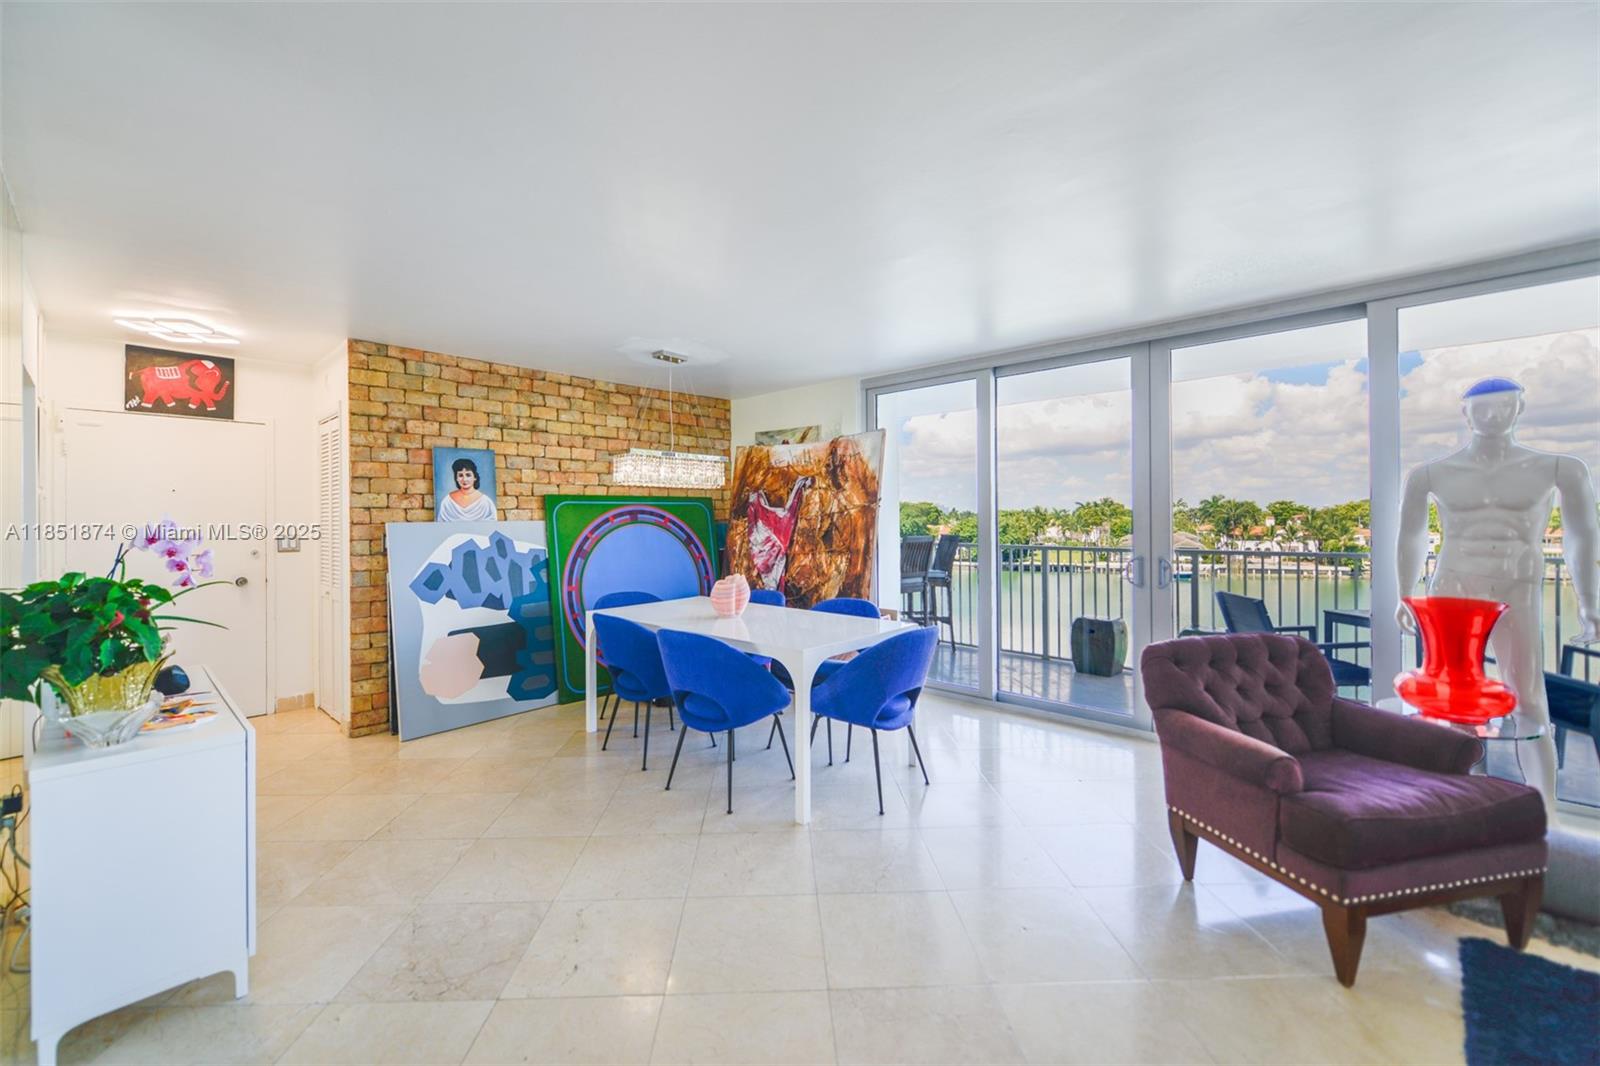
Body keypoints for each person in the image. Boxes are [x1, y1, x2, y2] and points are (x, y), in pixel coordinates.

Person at [1396, 376, 1600, 813]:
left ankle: (1546, 814)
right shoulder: (1432, 473)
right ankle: (1461, 804)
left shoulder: (1557, 468)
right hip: (1452, 587)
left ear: (1520, 408)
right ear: (1464, 411)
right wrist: (1404, 593)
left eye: (1504, 405)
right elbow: (1411, 535)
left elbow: (1581, 536)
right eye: (1482, 407)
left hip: (1518, 584)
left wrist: (1589, 600)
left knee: (1529, 699)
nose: (1492, 414)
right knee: (1452, 704)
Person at [438, 456, 496, 521]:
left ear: (475, 477)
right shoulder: (447, 502)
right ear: (456, 478)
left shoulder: (486, 503)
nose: (464, 479)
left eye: (468, 475)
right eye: (460, 475)